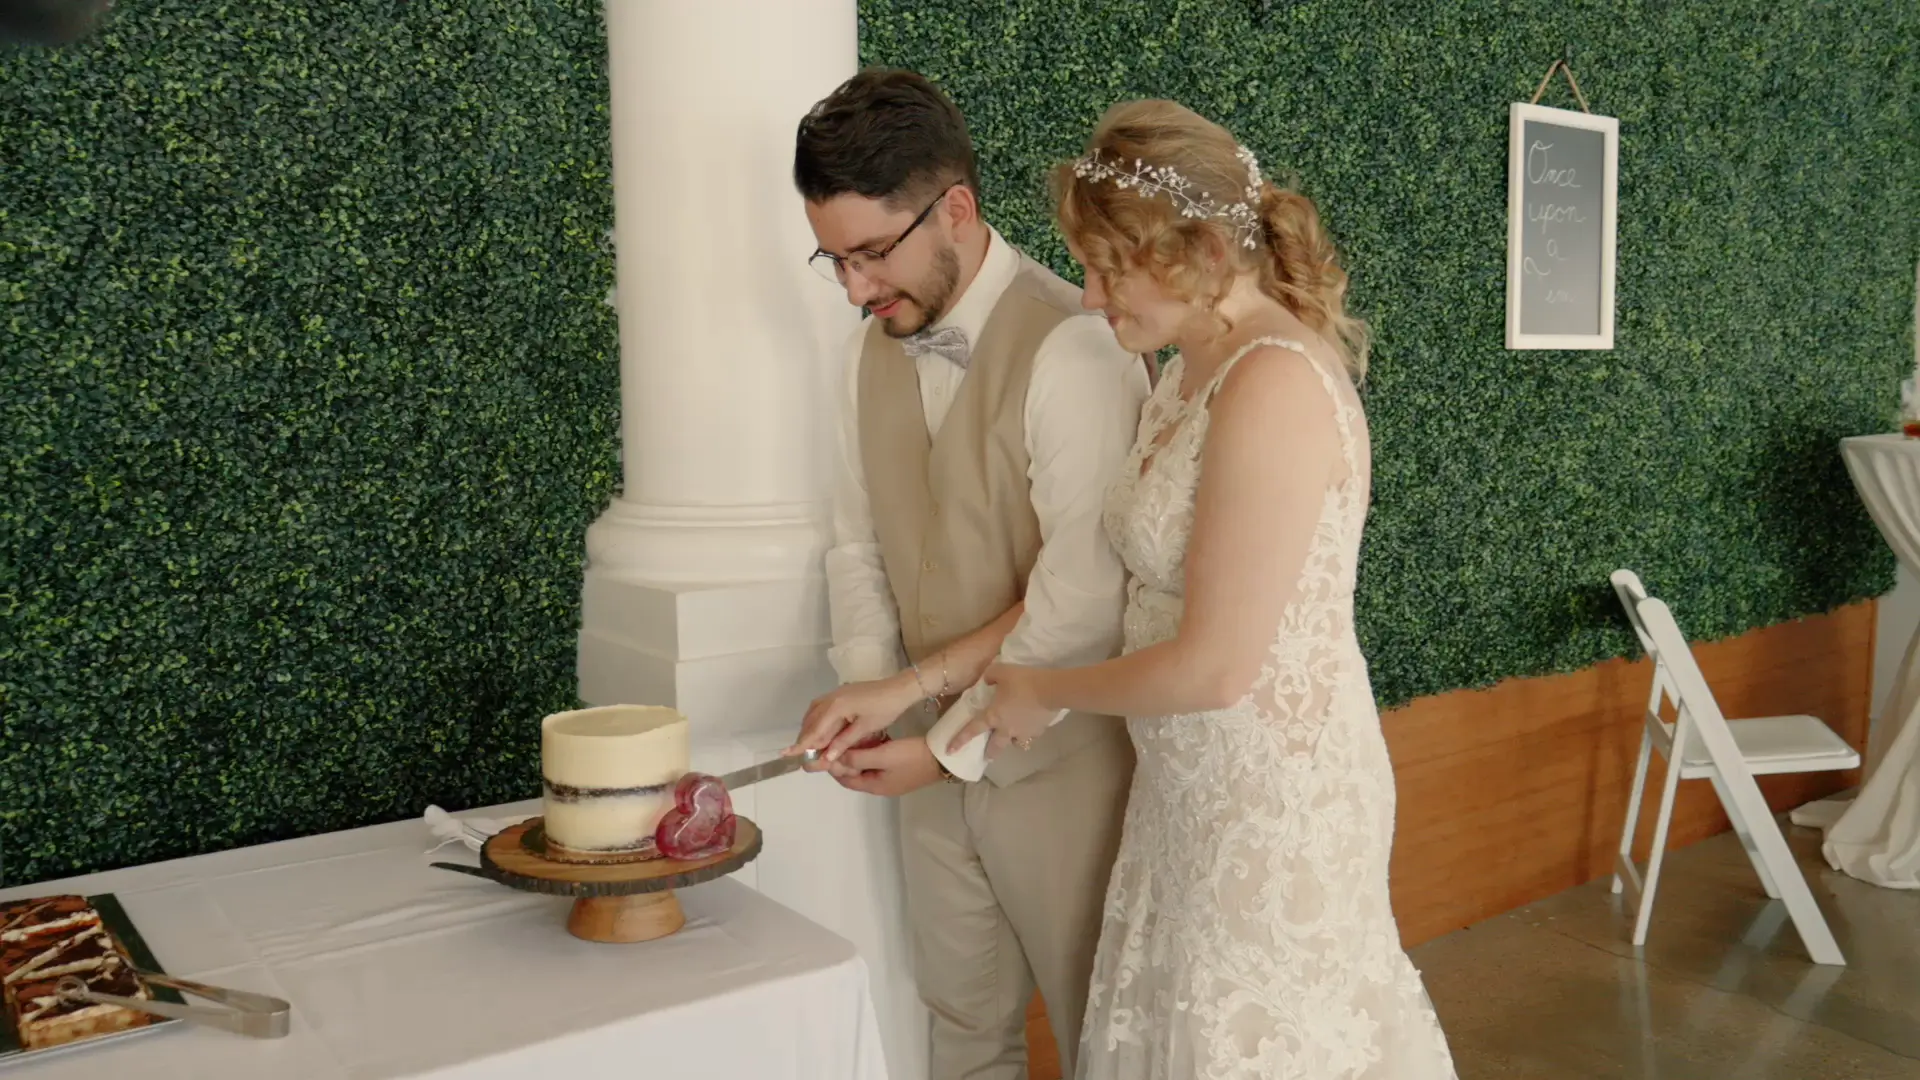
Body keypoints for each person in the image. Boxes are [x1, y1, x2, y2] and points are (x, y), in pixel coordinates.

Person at [939, 100, 1461, 1079]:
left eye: (1107, 269)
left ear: (1199, 251)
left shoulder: (1274, 384)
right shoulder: (1188, 370)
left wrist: (1042, 689)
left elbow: (1217, 668)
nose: (1092, 299)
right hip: (1189, 795)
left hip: (1273, 802)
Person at [786, 68, 1149, 1080]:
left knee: (1099, 1034)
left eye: (870, 255)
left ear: (955, 209)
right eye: (835, 260)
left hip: (1066, 766)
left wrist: (946, 747)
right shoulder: (867, 350)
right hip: (925, 763)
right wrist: (876, 703)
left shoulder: (1079, 344)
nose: (855, 290)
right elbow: (856, 541)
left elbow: (1081, 602)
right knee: (961, 1026)